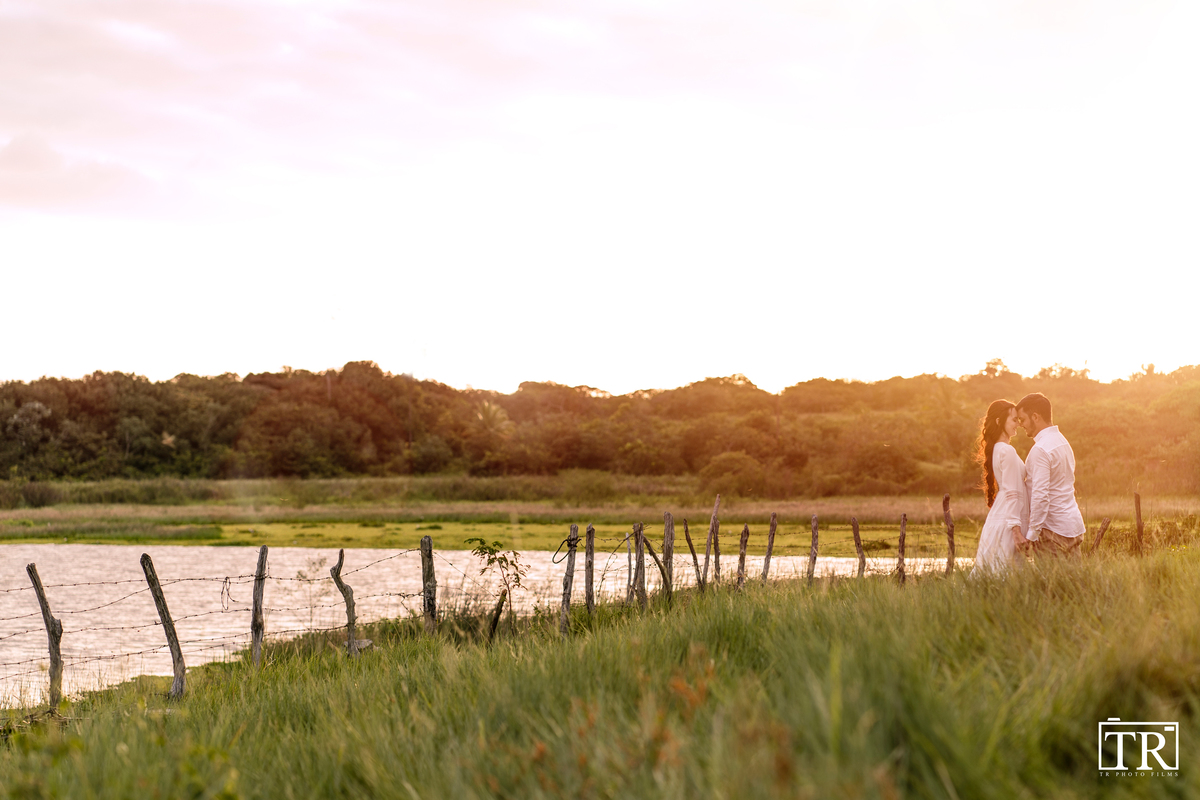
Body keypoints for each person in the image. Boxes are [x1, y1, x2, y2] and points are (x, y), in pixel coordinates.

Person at [1015, 392, 1085, 556]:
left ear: (1035, 417)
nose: (1021, 425)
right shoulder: (1063, 442)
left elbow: (1041, 495)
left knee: (1049, 582)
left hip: (1052, 532)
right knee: (1074, 581)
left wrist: (1032, 534)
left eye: (1023, 419)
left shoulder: (1040, 450)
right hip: (1072, 526)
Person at [972, 399, 1028, 574]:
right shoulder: (1007, 451)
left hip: (1002, 515)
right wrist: (1016, 531)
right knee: (1004, 572)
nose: (1017, 424)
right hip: (1008, 520)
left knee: (996, 570)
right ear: (999, 421)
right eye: (1013, 420)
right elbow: (1012, 493)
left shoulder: (998, 448)